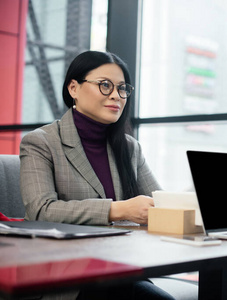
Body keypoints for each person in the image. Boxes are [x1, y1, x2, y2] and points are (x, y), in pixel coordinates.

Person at [20, 51, 175, 300]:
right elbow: (41, 210)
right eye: (105, 85)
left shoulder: (129, 147)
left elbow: (162, 204)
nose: (116, 95)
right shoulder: (41, 142)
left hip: (119, 269)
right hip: (64, 278)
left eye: (122, 88)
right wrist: (119, 210)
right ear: (74, 88)